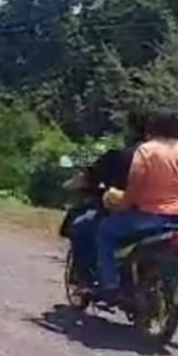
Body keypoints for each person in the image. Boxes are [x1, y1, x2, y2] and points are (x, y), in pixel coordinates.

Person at [92, 109, 178, 303]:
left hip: (151, 217)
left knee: (105, 232)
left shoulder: (146, 151)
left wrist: (122, 206)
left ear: (153, 128)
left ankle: (110, 285)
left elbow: (135, 186)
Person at [61, 111, 148, 287]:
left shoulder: (118, 156)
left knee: (81, 227)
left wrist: (71, 185)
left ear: (130, 130)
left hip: (121, 213)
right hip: (159, 215)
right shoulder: (167, 159)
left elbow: (87, 178)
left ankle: (88, 281)